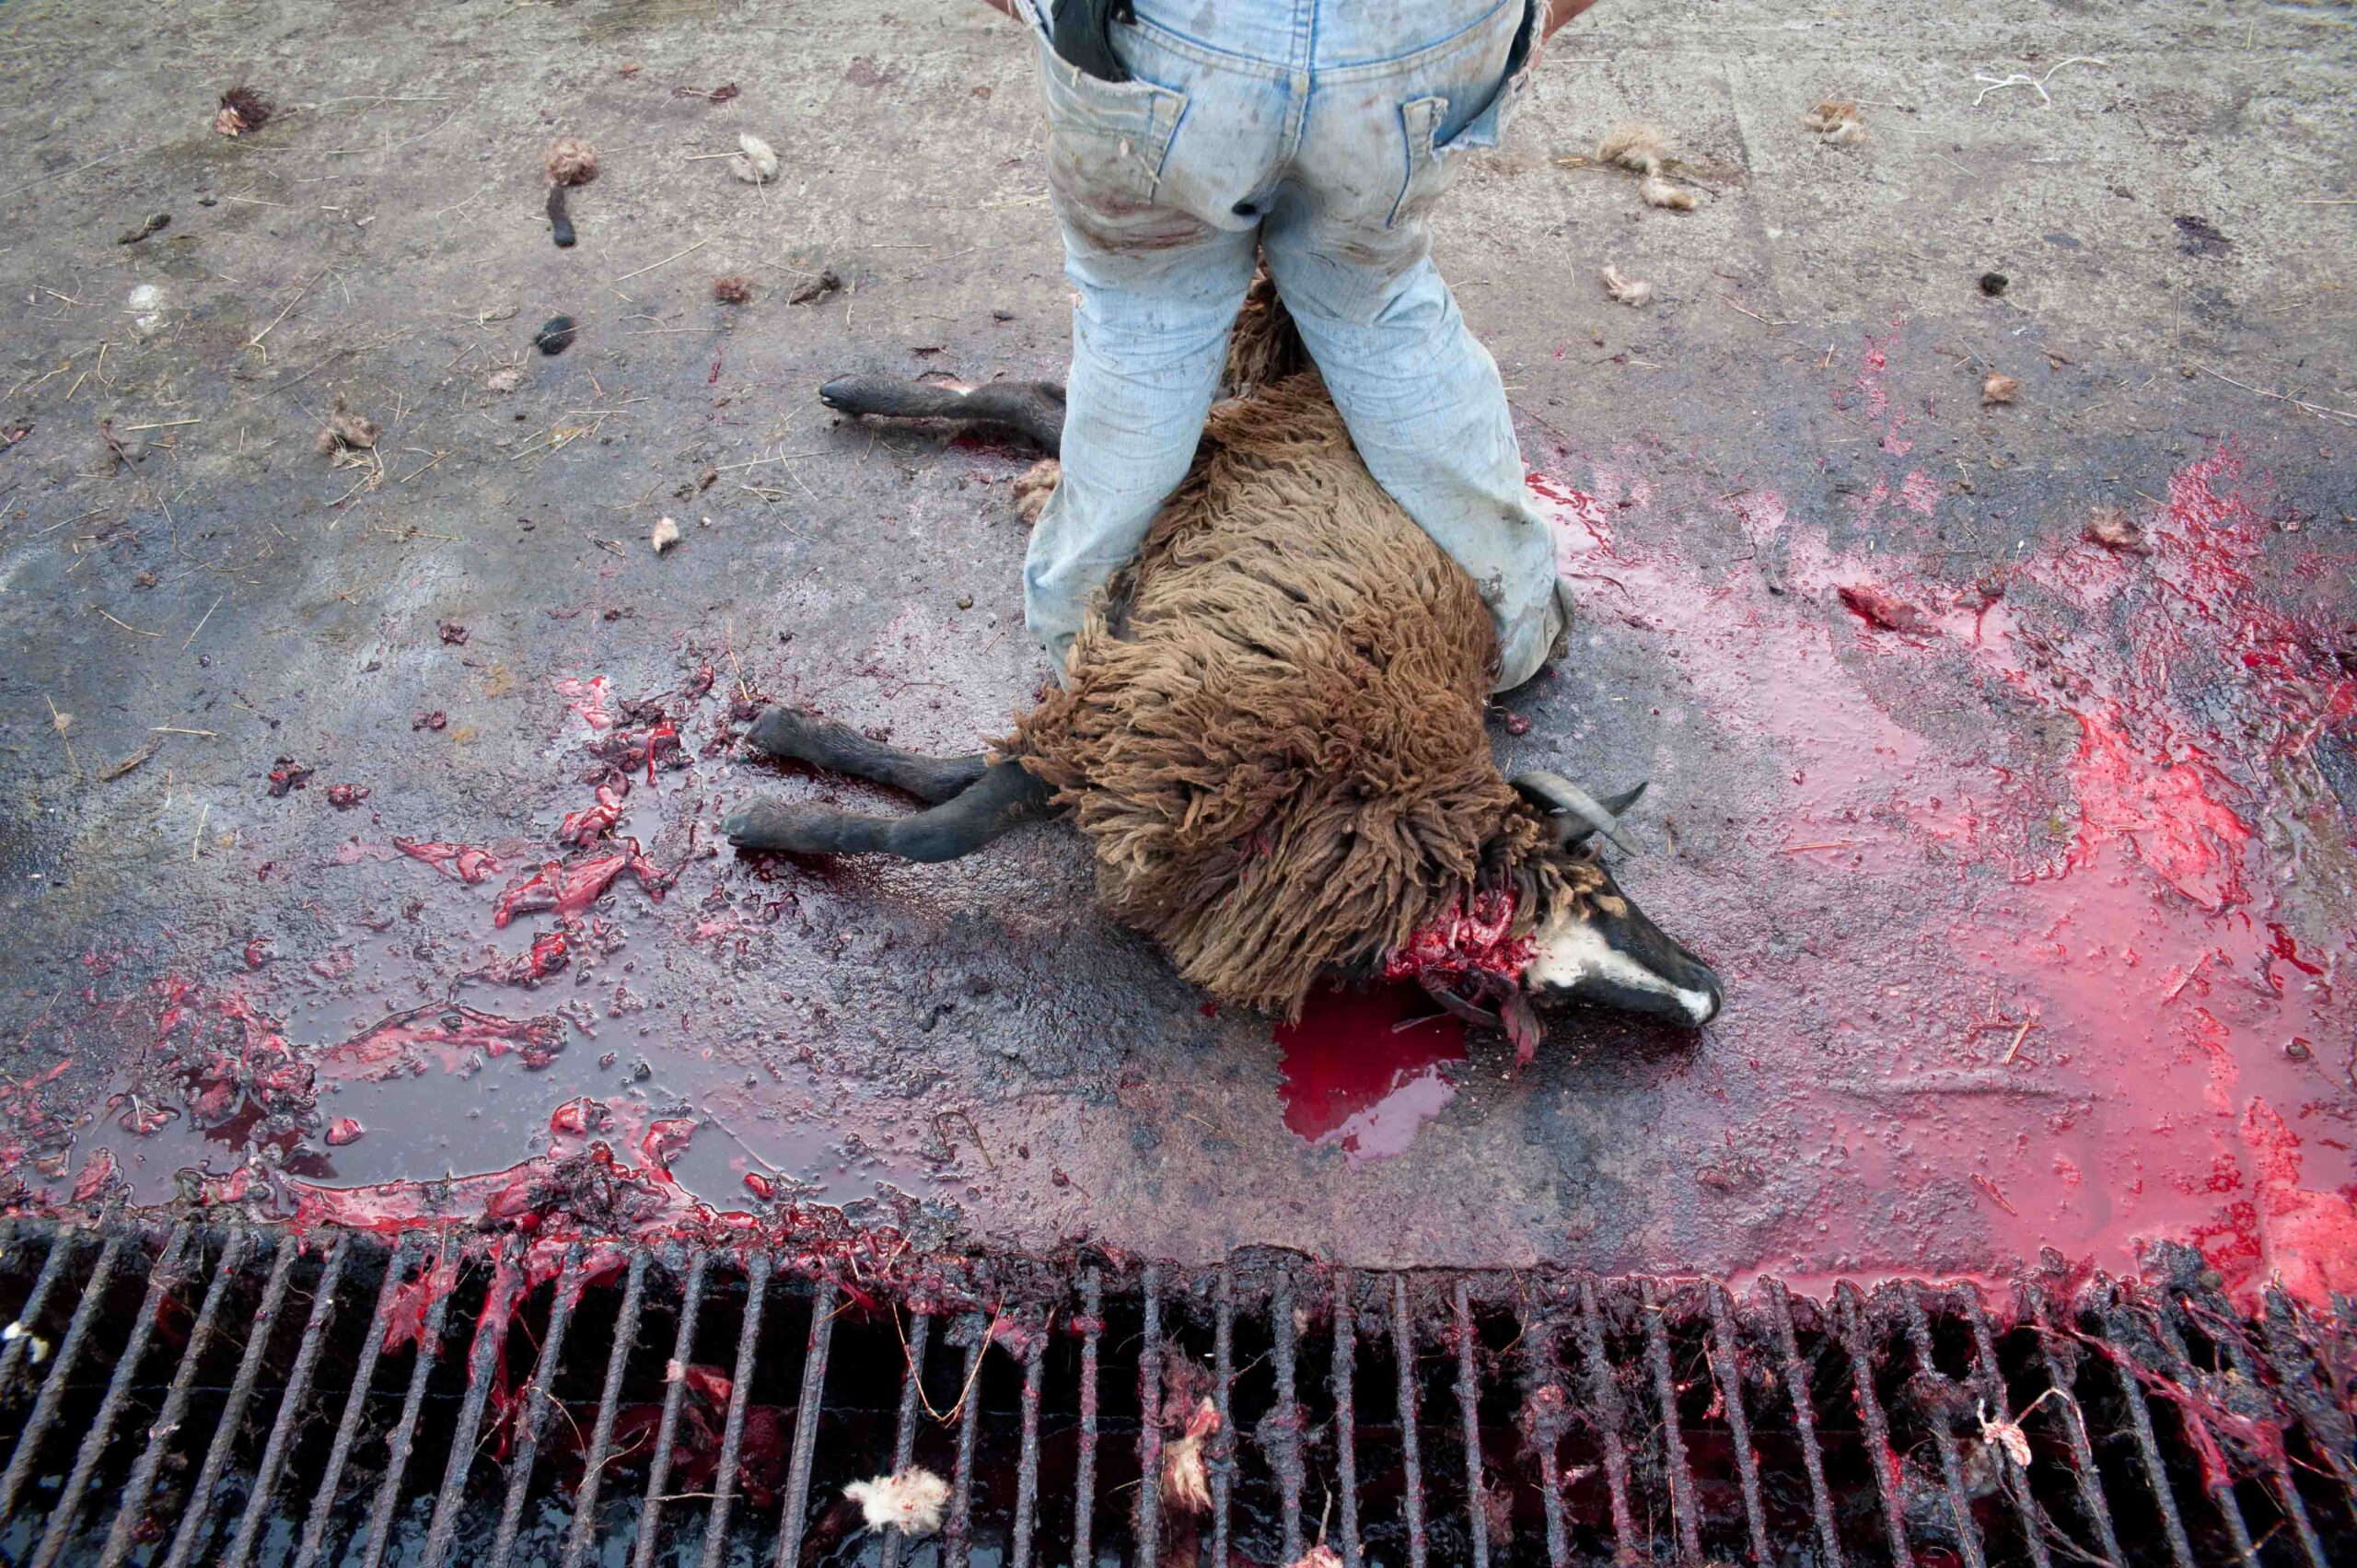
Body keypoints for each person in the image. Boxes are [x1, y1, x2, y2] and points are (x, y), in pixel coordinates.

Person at [981, 0, 1601, 691]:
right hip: (1409, 41)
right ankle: (1515, 620)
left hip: (1171, 34)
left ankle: (1084, 647)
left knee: (1148, 313)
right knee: (1376, 302)